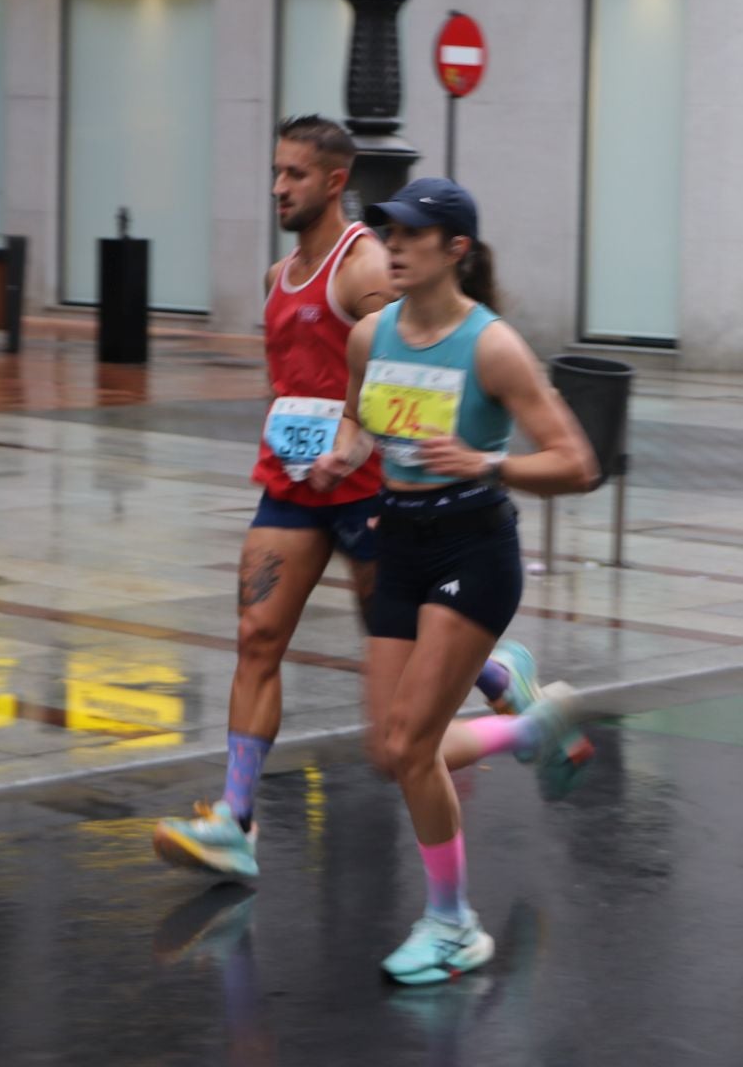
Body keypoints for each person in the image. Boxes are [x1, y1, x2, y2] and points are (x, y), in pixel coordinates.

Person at [153, 121, 565, 880]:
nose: (279, 187)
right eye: (276, 172)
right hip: (295, 482)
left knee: (407, 669)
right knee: (256, 635)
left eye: (296, 175)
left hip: (378, 496)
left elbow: (418, 349)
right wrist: (304, 432)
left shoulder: (368, 268)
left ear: (335, 181)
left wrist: (428, 453)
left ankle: (501, 680)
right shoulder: (280, 275)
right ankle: (235, 822)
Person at [311, 176, 598, 985]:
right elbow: (363, 420)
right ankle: (527, 727)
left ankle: (453, 925)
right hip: (395, 543)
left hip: (473, 547)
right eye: (387, 231)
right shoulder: (372, 336)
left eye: (409, 233)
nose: (391, 245)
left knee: (410, 745)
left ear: (455, 250)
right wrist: (345, 454)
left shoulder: (492, 347)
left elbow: (577, 463)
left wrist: (488, 461)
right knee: (390, 750)